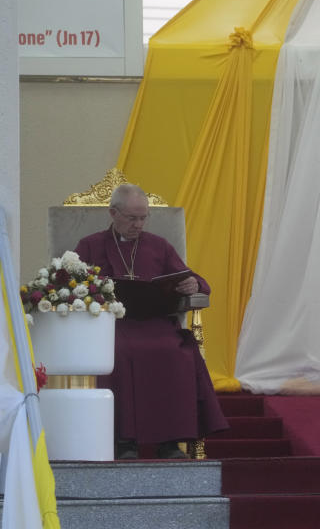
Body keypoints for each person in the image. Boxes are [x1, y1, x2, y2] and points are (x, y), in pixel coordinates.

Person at [75, 184, 227, 459]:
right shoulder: (90, 245)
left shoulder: (159, 245)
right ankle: (125, 442)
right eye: (132, 218)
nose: (139, 224)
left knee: (174, 351)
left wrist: (193, 284)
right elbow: (73, 283)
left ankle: (169, 441)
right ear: (113, 213)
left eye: (143, 217)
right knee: (118, 353)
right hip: (112, 324)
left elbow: (194, 279)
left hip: (154, 321)